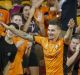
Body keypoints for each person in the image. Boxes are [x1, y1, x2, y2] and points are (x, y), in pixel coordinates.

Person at [0, 18, 75, 75]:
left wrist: (70, 28)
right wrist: (11, 29)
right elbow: (25, 35)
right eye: (48, 30)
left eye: (52, 30)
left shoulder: (62, 42)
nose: (49, 32)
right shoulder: (43, 40)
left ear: (59, 31)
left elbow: (67, 38)